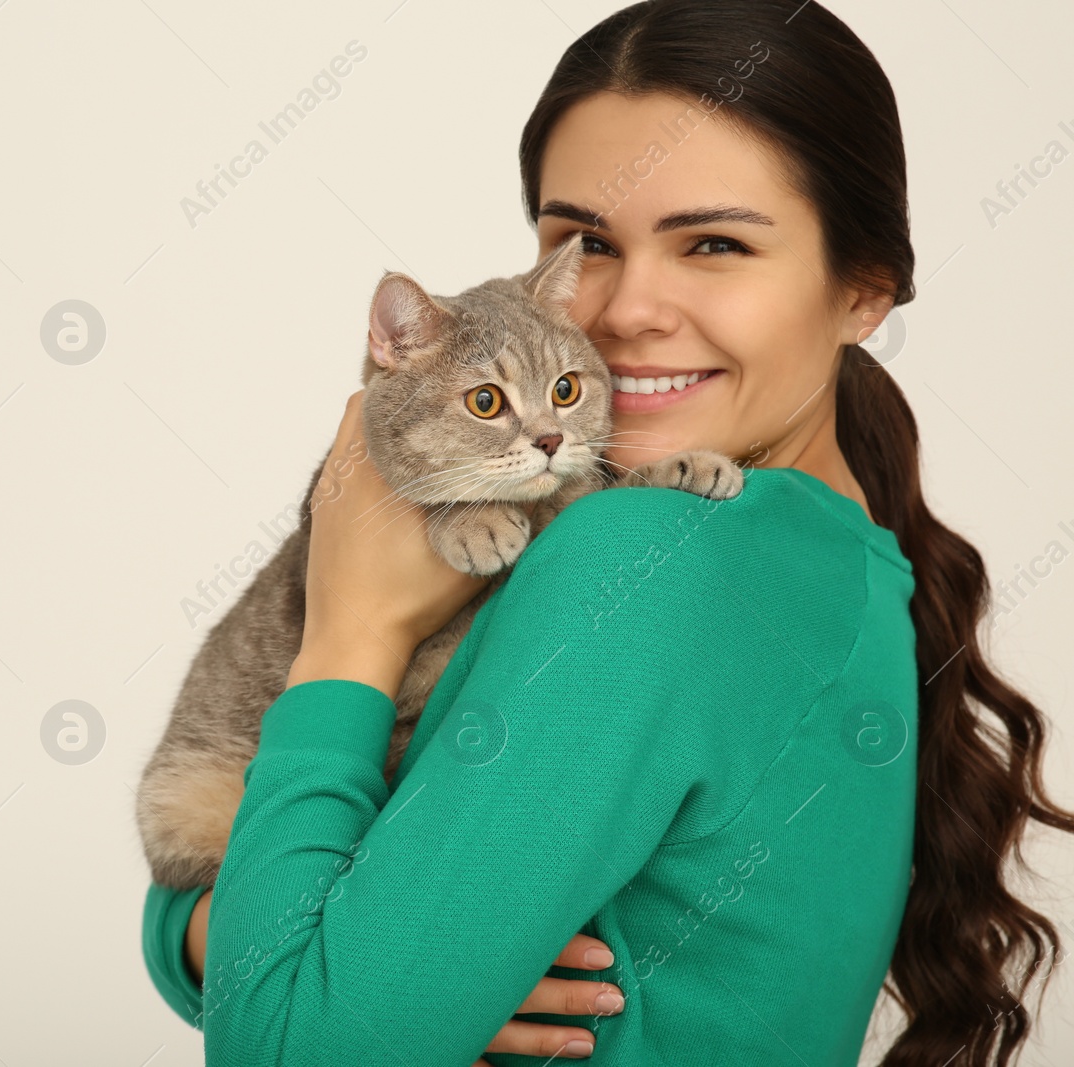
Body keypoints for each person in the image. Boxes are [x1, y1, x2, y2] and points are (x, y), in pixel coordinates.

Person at [141, 1, 1074, 1063]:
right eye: (588, 244)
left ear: (863, 291)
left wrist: (349, 632)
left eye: (714, 244)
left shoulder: (650, 558)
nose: (627, 310)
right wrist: (315, 951)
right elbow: (227, 928)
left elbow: (281, 1045)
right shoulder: (844, 567)